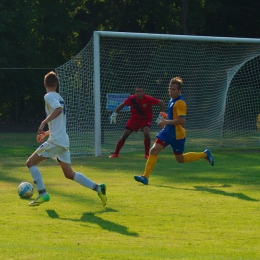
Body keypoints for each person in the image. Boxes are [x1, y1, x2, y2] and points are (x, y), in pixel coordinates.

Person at [26, 71, 107, 206]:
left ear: (44, 84)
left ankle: (42, 193)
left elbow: (58, 110)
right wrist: (46, 133)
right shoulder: (59, 97)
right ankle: (98, 188)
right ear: (56, 84)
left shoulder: (49, 96)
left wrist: (43, 122)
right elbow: (58, 122)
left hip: (56, 141)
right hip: (62, 140)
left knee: (30, 163)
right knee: (69, 174)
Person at [134, 76, 214, 185]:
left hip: (177, 135)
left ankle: (205, 155)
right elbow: (174, 117)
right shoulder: (172, 100)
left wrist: (166, 122)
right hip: (167, 132)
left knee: (180, 159)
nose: (170, 91)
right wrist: (165, 116)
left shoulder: (180, 102)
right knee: (153, 151)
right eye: (169, 89)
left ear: (179, 90)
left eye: (173, 89)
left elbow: (181, 121)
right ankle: (145, 177)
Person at [109, 86, 165, 159]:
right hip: (134, 119)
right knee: (125, 135)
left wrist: (161, 116)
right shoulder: (132, 99)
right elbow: (123, 104)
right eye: (137, 91)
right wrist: (115, 113)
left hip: (146, 119)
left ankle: (147, 155)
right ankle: (116, 153)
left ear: (143, 92)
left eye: (140, 91)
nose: (138, 93)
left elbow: (161, 103)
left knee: (146, 133)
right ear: (135, 92)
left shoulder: (148, 99)